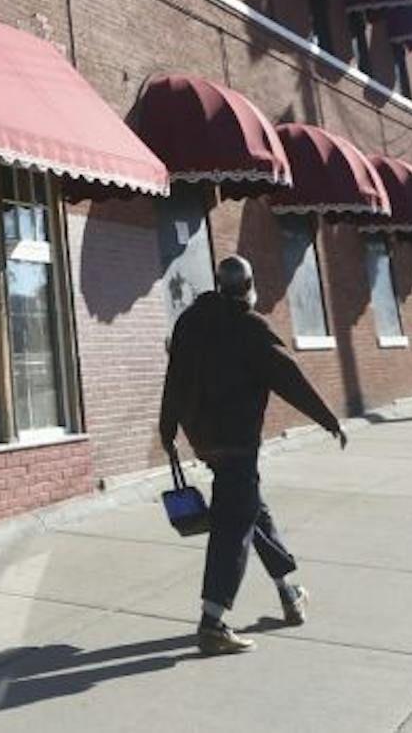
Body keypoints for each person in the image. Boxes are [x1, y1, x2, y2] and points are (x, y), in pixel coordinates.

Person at [159, 254, 348, 656]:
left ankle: (289, 593)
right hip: (238, 443)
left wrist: (167, 429)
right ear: (248, 287)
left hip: (205, 442)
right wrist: (328, 419)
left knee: (251, 511)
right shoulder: (250, 328)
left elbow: (174, 377)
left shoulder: (189, 322)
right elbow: (289, 377)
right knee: (233, 527)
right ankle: (212, 623)